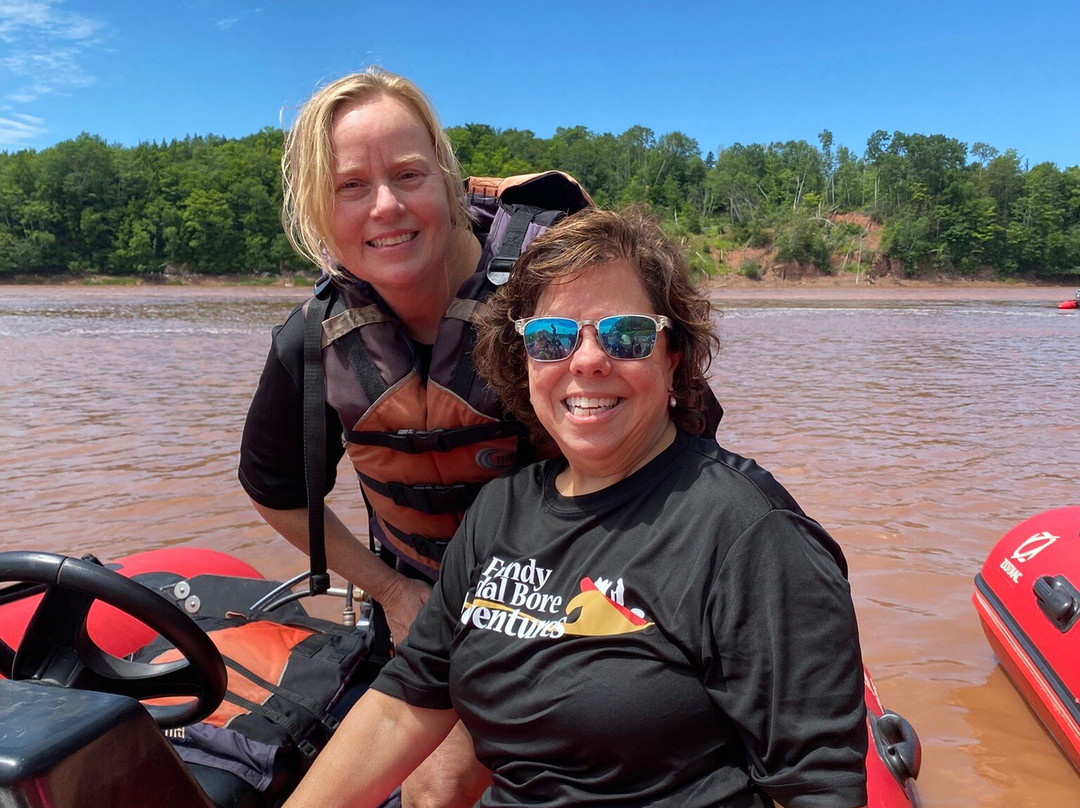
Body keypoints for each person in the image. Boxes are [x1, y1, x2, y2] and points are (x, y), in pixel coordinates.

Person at [282, 208, 869, 808]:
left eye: (626, 335)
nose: (586, 360)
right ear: (525, 361)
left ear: (672, 356)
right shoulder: (500, 513)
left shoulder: (749, 533)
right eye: (552, 338)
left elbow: (817, 785)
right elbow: (406, 704)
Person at [238, 68, 590, 808]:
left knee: (437, 789)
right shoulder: (313, 341)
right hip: (422, 610)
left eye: (407, 175)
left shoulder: (559, 301)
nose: (387, 207)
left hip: (574, 602)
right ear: (317, 210)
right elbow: (272, 488)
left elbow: (667, 453)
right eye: (350, 186)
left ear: (448, 178)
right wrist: (393, 593)